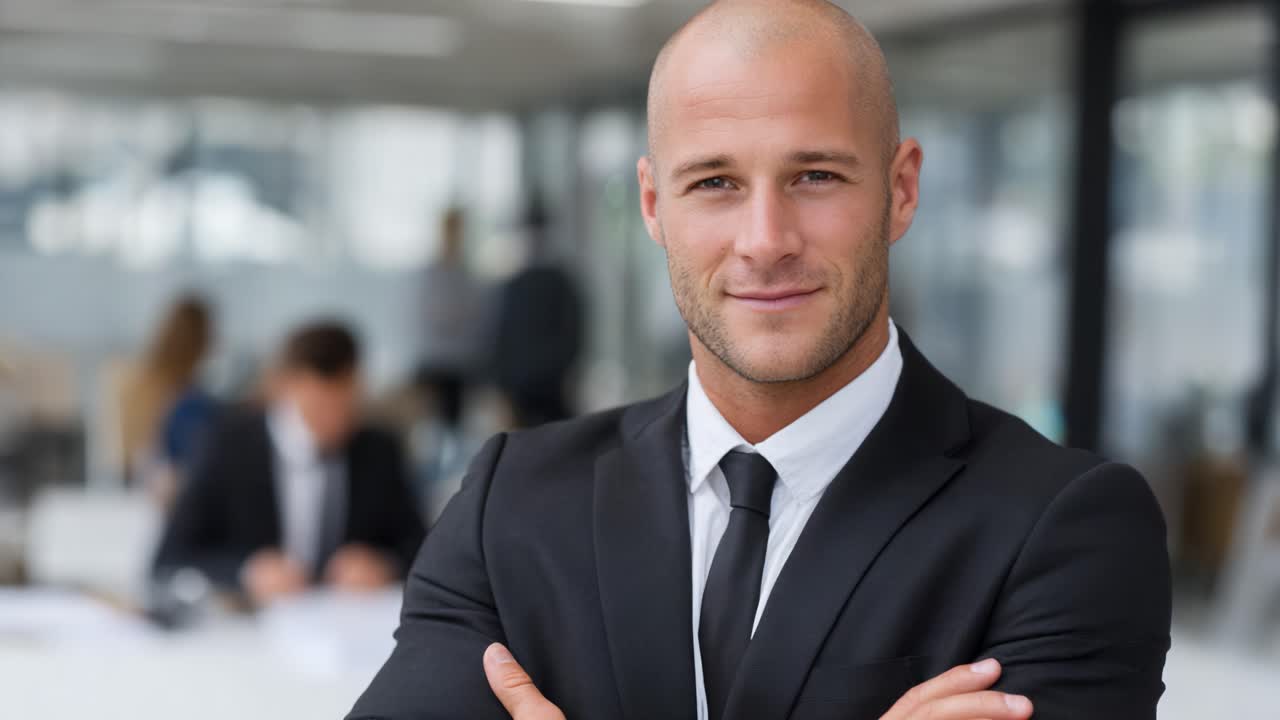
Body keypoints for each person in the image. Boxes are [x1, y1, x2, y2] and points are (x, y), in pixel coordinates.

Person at [348, 2, 1171, 719]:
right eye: (714, 183)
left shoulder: (1065, 528)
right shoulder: (513, 502)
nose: (766, 242)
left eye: (815, 175)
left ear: (903, 189)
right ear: (652, 205)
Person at [152, 321, 425, 605]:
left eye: (346, 403)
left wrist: (385, 565)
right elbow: (169, 558)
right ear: (287, 388)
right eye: (319, 406)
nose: (336, 419)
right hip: (252, 631)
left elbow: (424, 548)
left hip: (349, 621)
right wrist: (246, 571)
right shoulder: (227, 445)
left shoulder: (379, 449)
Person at [490, 198, 585, 428]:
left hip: (546, 386)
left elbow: (572, 334)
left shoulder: (558, 282)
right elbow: (501, 336)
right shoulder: (520, 283)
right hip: (528, 388)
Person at [119, 293, 219, 507]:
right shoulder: (191, 403)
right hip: (172, 502)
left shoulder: (139, 386)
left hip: (139, 498)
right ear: (201, 340)